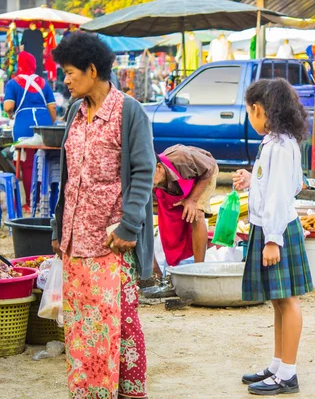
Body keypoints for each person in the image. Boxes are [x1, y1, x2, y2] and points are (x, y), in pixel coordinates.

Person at [50, 32, 155, 399]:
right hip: (75, 242)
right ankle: (89, 393)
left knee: (118, 324)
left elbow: (143, 170)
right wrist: (57, 224)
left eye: (69, 72)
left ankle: (123, 391)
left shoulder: (129, 112)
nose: (65, 80)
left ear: (92, 70)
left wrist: (129, 225)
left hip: (111, 242)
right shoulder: (74, 114)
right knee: (81, 326)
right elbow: (67, 176)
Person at [233, 79, 313, 396]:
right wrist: (254, 181)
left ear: (261, 109)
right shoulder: (277, 142)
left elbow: (281, 195)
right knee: (279, 300)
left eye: (249, 111)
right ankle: (278, 365)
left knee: (288, 300)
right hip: (272, 227)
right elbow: (284, 185)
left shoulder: (279, 147)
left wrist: (272, 239)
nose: (249, 117)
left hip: (276, 230)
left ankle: (288, 374)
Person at [3, 51, 57, 210]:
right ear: (34, 65)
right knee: (44, 161)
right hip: (44, 125)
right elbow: (52, 107)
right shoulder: (43, 82)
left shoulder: (13, 83)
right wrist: (49, 123)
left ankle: (29, 202)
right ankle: (44, 200)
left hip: (24, 125)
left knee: (27, 165)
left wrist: (12, 115)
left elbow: (8, 106)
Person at [153, 145, 219, 270]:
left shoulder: (182, 158)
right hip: (175, 183)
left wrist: (192, 200)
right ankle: (157, 269)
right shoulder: (152, 179)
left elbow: (209, 169)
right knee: (173, 218)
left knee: (195, 214)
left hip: (205, 173)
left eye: (147, 176)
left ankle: (199, 268)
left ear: (159, 168)